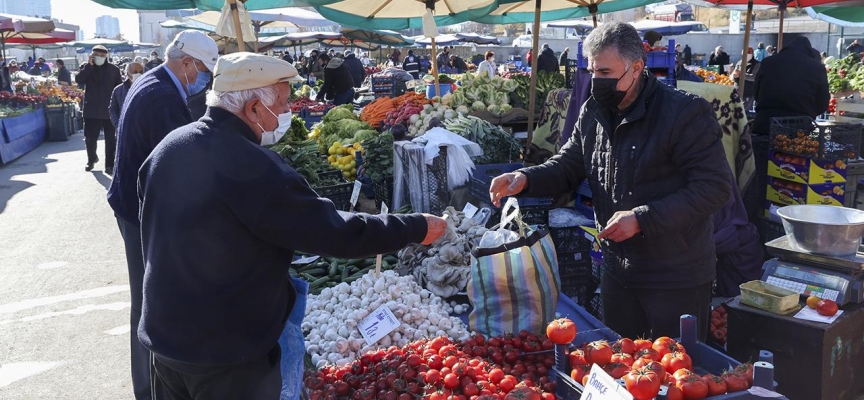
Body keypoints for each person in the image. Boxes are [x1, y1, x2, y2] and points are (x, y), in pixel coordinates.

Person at [138, 52, 447, 399]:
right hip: (226, 355)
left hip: (164, 340)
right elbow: (334, 232)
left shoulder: (167, 148)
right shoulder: (254, 167)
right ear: (254, 107)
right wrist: (415, 227)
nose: (286, 113)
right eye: (283, 104)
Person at [489, 22, 731, 341]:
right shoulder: (594, 110)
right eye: (592, 72)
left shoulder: (684, 112)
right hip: (618, 267)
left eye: (605, 72)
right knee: (621, 361)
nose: (596, 81)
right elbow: (568, 164)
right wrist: (524, 178)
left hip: (675, 274)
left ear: (637, 68)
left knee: (676, 375)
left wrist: (642, 218)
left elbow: (714, 188)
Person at [106, 30, 218, 400]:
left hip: (130, 205)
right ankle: (151, 390)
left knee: (146, 299)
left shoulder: (152, 81)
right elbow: (178, 164)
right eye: (202, 71)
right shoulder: (162, 99)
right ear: (186, 63)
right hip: (139, 214)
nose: (203, 82)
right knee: (150, 304)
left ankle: (148, 386)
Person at [753, 36, 829, 136]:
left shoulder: (768, 62)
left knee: (761, 150)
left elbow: (756, 92)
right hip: (799, 127)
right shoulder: (817, 68)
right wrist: (808, 113)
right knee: (793, 151)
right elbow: (823, 102)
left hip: (765, 123)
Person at [76, 45, 122, 173]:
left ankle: (109, 164)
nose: (100, 58)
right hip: (91, 109)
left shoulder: (114, 70)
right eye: (97, 55)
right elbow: (79, 80)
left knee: (110, 139)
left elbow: (119, 88)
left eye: (102, 56)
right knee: (90, 138)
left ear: (106, 56)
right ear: (92, 55)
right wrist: (89, 66)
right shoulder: (86, 67)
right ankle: (91, 159)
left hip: (110, 110)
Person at [108, 62, 144, 129]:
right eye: (135, 72)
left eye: (141, 72)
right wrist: (118, 125)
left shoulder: (148, 89)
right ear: (128, 74)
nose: (138, 74)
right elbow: (113, 109)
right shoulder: (118, 90)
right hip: (125, 130)